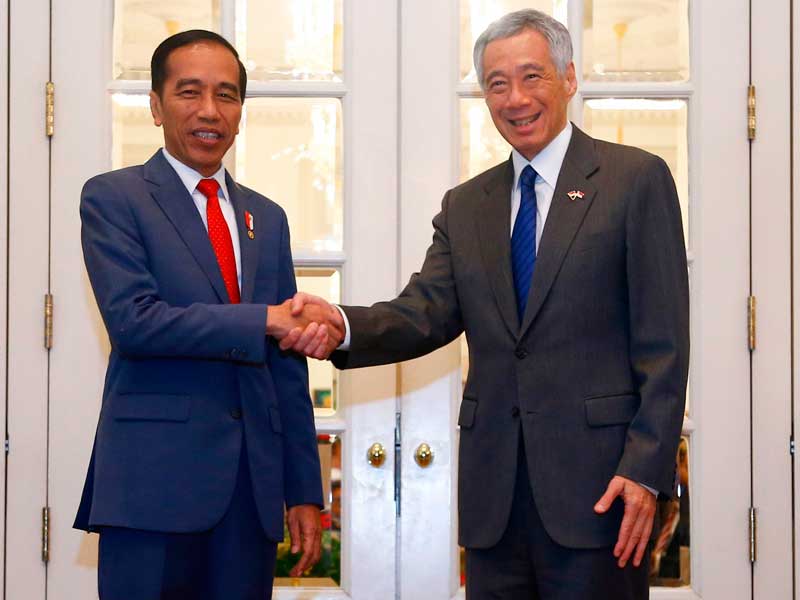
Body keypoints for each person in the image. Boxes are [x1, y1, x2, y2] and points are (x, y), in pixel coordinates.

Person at [283, 9, 689, 599]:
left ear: (568, 78)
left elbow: (664, 346)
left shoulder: (634, 180)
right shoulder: (467, 205)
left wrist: (646, 471)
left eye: (532, 77)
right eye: (497, 83)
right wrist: (340, 323)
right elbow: (423, 312)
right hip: (494, 502)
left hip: (603, 491)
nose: (515, 98)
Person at [73, 30, 338, 599]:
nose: (209, 111)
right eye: (189, 92)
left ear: (242, 111)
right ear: (155, 103)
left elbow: (287, 365)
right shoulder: (114, 198)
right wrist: (262, 319)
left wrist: (303, 490)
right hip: (151, 488)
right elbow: (135, 322)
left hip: (250, 494)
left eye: (226, 95)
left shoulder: (267, 219)